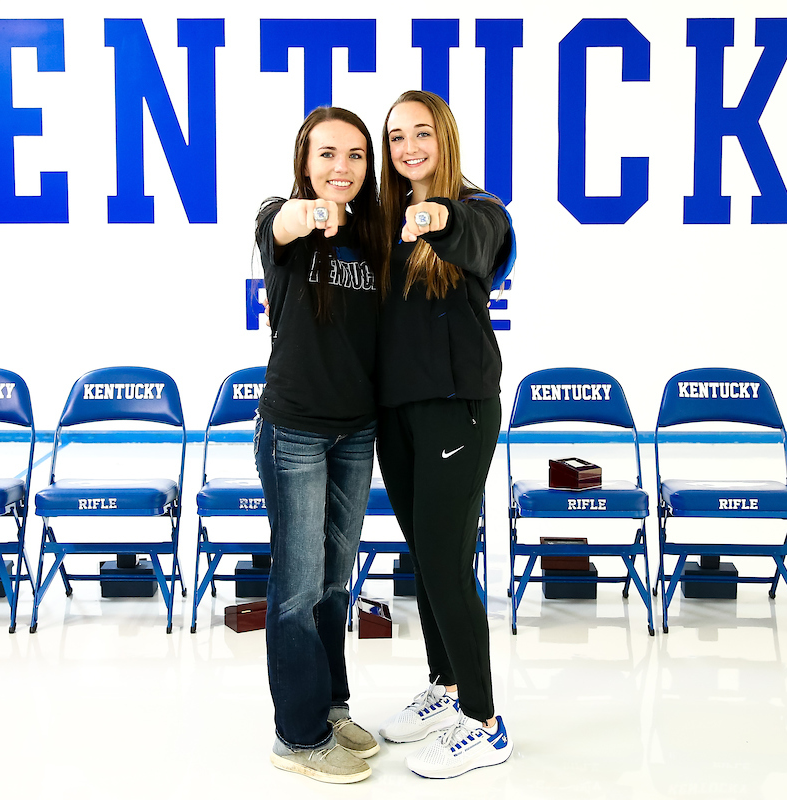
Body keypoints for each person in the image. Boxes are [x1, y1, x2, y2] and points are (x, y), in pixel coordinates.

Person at [374, 90, 514, 779]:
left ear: (444, 137)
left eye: (420, 133)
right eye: (396, 137)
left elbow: (479, 237)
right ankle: (447, 686)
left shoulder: (480, 211)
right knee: (424, 558)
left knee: (448, 563)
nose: (407, 148)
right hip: (396, 414)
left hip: (457, 411)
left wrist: (436, 214)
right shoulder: (379, 220)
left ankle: (486, 723)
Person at [254, 106, 387, 784]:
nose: (342, 167)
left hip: (355, 430)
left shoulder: (374, 234)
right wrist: (310, 214)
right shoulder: (282, 219)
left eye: (356, 156)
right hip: (296, 431)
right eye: (327, 154)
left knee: (336, 582)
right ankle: (297, 738)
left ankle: (330, 708)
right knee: (297, 587)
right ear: (305, 162)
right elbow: (280, 224)